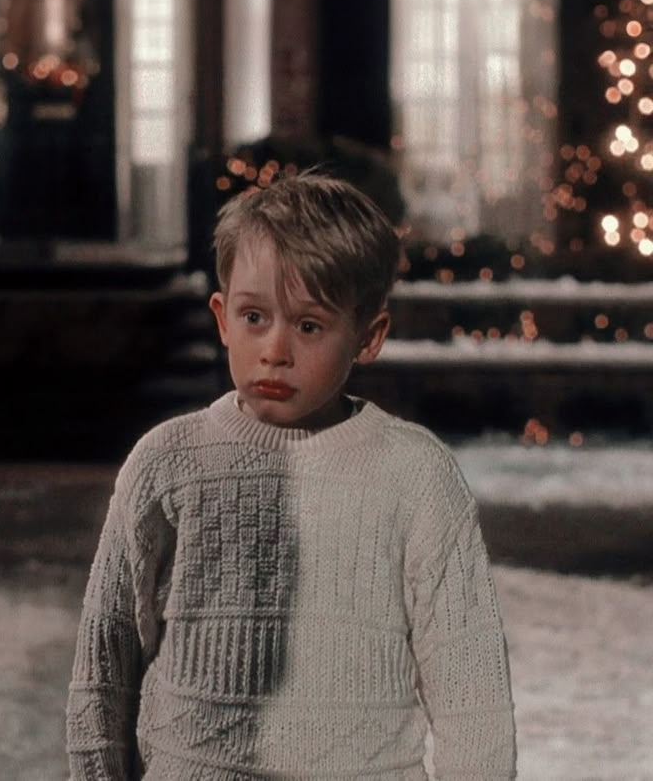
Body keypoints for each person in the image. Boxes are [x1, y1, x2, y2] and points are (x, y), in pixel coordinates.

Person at [67, 173, 517, 780]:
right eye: (255, 316)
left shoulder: (415, 476)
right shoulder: (167, 464)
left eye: (309, 326)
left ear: (369, 336)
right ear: (223, 319)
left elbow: (470, 686)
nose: (275, 349)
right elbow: (106, 656)